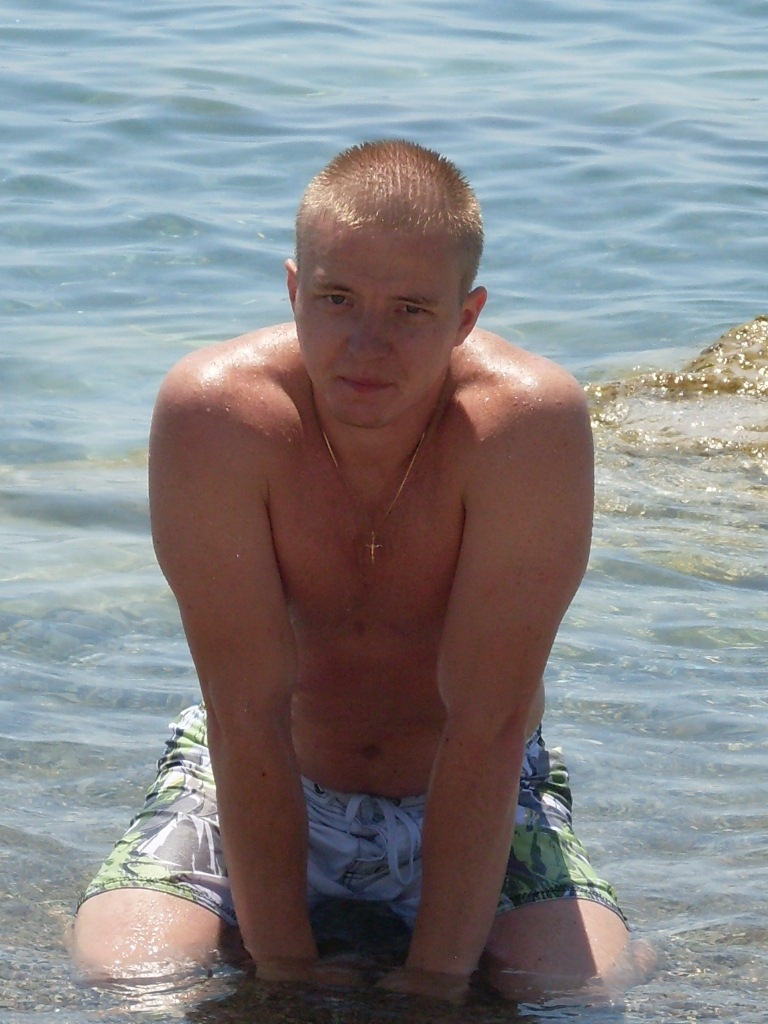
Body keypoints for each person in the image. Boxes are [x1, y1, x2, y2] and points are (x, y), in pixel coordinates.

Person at [70, 139, 630, 1002]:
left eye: (410, 310)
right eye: (337, 300)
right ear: (295, 291)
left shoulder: (524, 427)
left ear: (466, 316)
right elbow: (243, 711)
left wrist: (438, 981)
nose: (368, 344)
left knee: (572, 990)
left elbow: (489, 725)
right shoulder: (218, 415)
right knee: (127, 975)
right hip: (264, 778)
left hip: (471, 794)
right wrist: (282, 971)